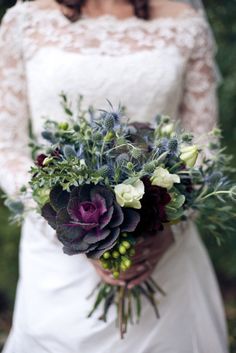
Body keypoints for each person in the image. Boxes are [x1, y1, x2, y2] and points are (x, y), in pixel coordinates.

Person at [0, 0, 229, 352]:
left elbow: (203, 147)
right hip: (57, 260)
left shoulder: (185, 22)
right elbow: (6, 149)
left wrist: (167, 230)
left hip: (161, 248)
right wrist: (67, 220)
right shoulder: (26, 21)